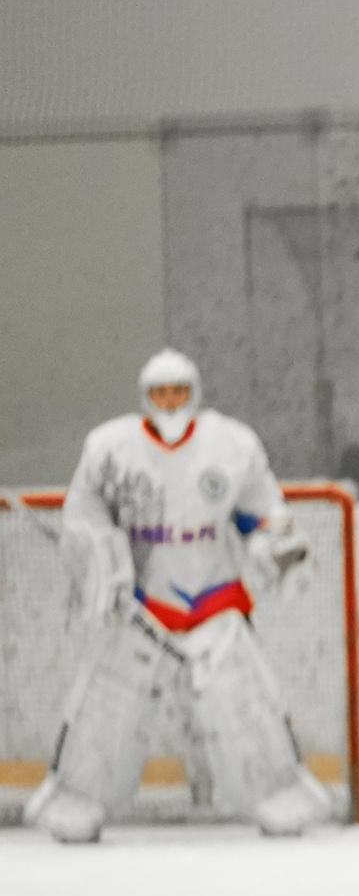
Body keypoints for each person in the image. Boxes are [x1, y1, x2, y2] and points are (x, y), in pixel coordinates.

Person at [29, 350, 332, 843]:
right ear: (145, 398)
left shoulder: (232, 444)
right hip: (142, 606)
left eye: (179, 392)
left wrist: (277, 545)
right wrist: (101, 563)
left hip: (214, 599)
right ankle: (74, 802)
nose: (170, 403)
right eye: (160, 394)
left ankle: (281, 797)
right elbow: (83, 515)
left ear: (195, 392)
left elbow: (263, 512)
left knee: (245, 702)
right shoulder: (109, 448)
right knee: (106, 709)